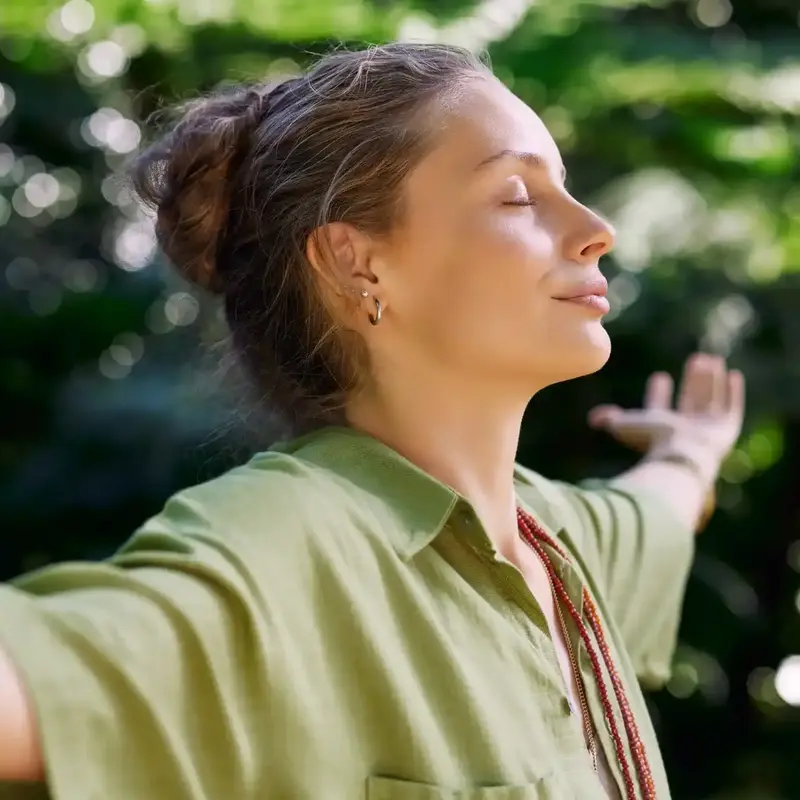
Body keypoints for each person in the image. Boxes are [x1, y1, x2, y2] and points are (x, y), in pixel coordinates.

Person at [0, 43, 744, 800]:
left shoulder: (563, 541)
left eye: (566, 187)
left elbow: (661, 505)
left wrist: (690, 453)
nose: (596, 228)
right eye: (518, 195)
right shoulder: (295, 542)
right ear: (357, 264)